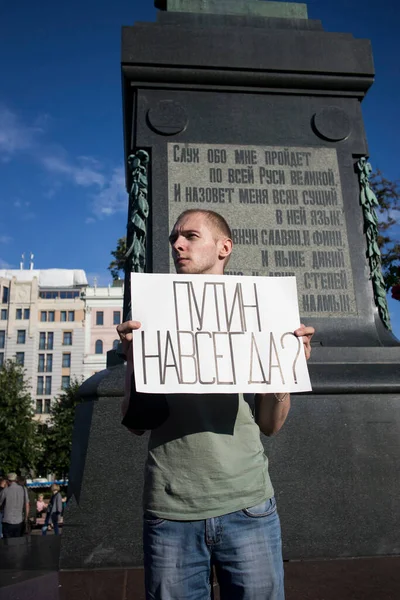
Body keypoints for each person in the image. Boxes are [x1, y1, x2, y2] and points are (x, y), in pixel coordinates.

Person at [117, 209, 315, 600]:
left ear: (224, 247)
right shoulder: (152, 316)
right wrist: (132, 364)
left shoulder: (262, 315)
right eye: (175, 237)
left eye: (190, 236)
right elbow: (135, 422)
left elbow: (271, 425)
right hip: (170, 507)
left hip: (248, 502)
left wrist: (286, 370)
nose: (177, 244)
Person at [0, 473, 29, 538]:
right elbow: (27, 505)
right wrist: (26, 518)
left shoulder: (5, 491)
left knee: (7, 544)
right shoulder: (23, 489)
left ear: (7, 480)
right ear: (16, 479)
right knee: (18, 542)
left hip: (7, 520)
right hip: (19, 520)